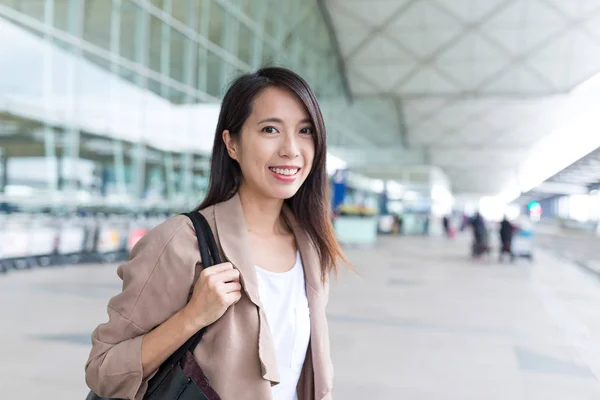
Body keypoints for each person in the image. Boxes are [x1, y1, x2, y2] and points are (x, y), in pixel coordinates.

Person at [85, 67, 348, 400]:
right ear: (232, 144)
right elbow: (103, 369)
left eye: (305, 131)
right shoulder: (183, 242)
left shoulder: (312, 249)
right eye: (270, 129)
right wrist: (191, 317)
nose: (291, 149)